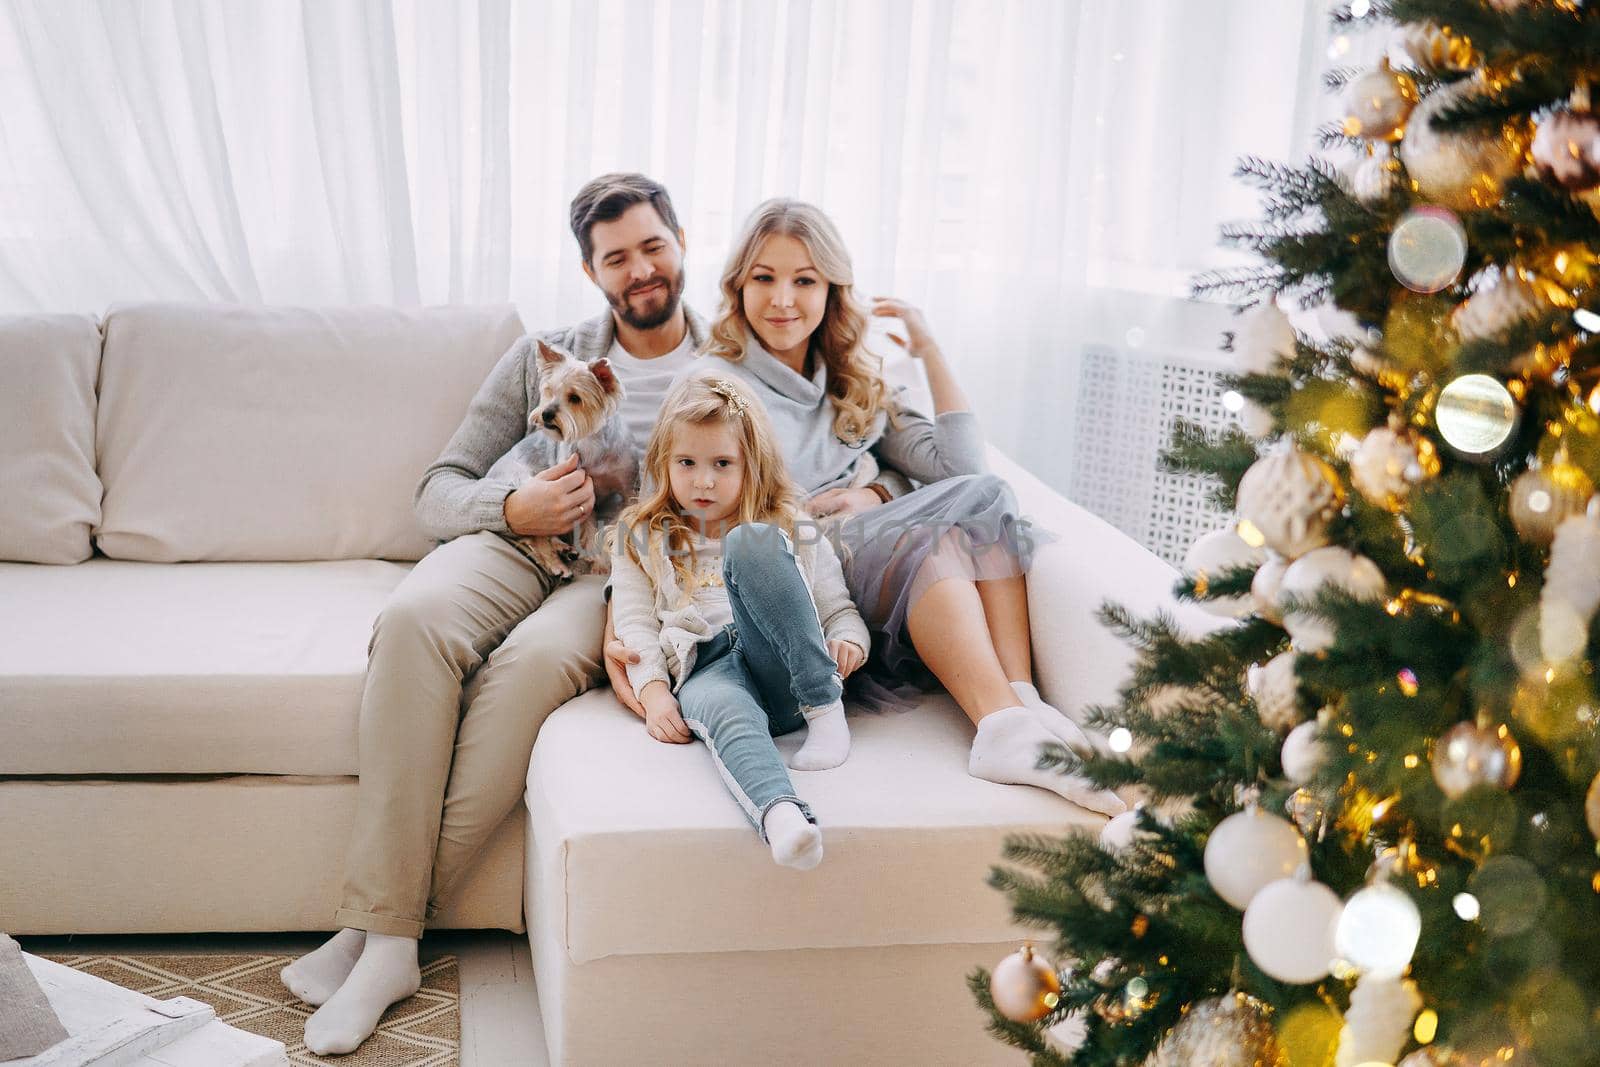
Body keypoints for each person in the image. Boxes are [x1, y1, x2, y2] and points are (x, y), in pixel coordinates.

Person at [280, 173, 710, 1057]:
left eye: (652, 246)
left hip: (615, 573)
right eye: (615, 256)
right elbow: (437, 490)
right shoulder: (542, 357)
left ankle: (378, 932)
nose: (640, 270)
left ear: (680, 242)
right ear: (591, 271)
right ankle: (391, 942)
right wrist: (511, 512)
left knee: (523, 675)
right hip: (514, 536)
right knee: (412, 623)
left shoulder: (727, 370)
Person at [608, 198, 1124, 817]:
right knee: (950, 524)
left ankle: (1017, 708)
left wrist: (925, 361)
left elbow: (963, 468)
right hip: (800, 572)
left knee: (969, 516)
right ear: (737, 287)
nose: (782, 300)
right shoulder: (717, 383)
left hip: (862, 545)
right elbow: (664, 502)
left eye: (805, 280)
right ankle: (1006, 716)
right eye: (764, 279)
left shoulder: (849, 376)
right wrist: (626, 633)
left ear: (832, 290)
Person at [609, 374, 869, 869]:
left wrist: (847, 641)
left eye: (722, 464)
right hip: (704, 666)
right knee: (726, 712)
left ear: (752, 466)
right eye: (687, 463)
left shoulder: (792, 524)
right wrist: (653, 690)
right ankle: (783, 817)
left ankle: (824, 710)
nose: (703, 480)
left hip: (782, 667)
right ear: (664, 463)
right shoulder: (639, 535)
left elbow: (837, 609)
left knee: (751, 542)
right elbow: (635, 623)